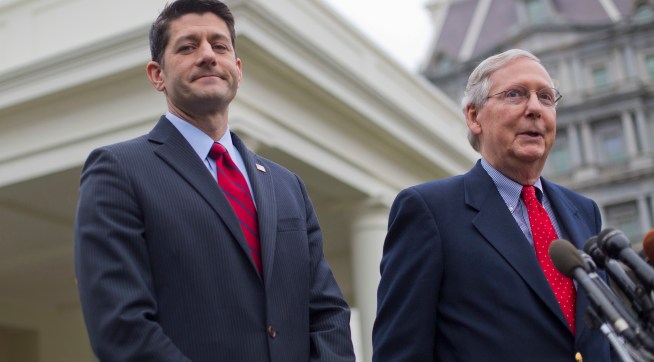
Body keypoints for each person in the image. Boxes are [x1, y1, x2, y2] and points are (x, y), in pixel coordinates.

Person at [73, 0, 355, 361]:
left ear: (237, 68)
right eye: (188, 46)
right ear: (157, 75)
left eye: (220, 46)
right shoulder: (117, 170)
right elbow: (121, 325)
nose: (207, 55)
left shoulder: (288, 187)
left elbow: (328, 313)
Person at [372, 49, 613, 361]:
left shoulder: (585, 212)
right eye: (515, 94)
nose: (535, 108)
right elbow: (400, 352)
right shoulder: (428, 211)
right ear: (474, 117)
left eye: (545, 97)